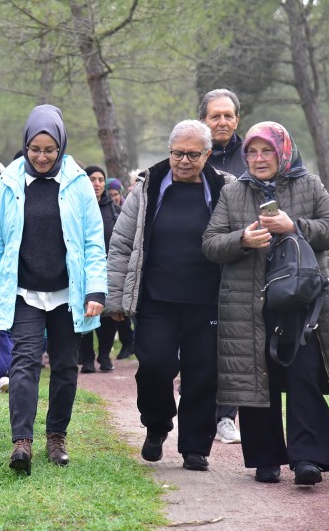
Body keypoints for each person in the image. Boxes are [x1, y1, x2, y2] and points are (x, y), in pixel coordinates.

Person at [202, 121, 329, 485]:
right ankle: (266, 459)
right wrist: (242, 240)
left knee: (304, 374)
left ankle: (308, 459)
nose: (258, 158)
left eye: (266, 150)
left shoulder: (308, 184)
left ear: (283, 152)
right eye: (251, 152)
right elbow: (210, 243)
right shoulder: (233, 192)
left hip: (303, 301)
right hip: (250, 304)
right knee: (257, 378)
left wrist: (295, 226)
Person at [0, 104, 107, 474]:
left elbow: (93, 242)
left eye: (50, 150)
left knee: (64, 366)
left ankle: (56, 437)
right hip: (24, 292)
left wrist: (96, 291)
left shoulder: (78, 183)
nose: (42, 157)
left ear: (61, 146)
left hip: (67, 293)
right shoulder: (9, 182)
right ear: (26, 145)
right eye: (35, 149)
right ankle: (22, 442)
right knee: (24, 363)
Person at [105, 120, 234, 472]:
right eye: (178, 154)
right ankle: (157, 424)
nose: (184, 161)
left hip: (207, 301)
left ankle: (195, 446)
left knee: (203, 374)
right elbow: (122, 243)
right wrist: (116, 299)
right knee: (154, 366)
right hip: (156, 299)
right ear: (169, 151)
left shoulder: (225, 188)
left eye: (193, 154)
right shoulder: (147, 189)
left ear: (207, 154)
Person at [198, 88, 246, 444]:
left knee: (235, 342)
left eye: (228, 115)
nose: (222, 121)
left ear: (237, 119)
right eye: (215, 116)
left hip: (241, 263)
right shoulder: (191, 154)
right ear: (203, 119)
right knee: (202, 343)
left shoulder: (253, 154)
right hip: (198, 265)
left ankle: (226, 415)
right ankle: (197, 400)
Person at [79, 165, 134, 373]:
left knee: (109, 315)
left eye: (100, 180)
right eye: (92, 179)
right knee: (85, 313)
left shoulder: (114, 210)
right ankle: (87, 358)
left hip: (109, 270)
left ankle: (104, 355)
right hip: (83, 270)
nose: (97, 184)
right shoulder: (78, 207)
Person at [199, 88, 246, 177]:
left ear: (236, 121)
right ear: (202, 121)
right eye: (215, 116)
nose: (222, 123)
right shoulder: (193, 157)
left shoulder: (250, 155)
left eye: (228, 116)